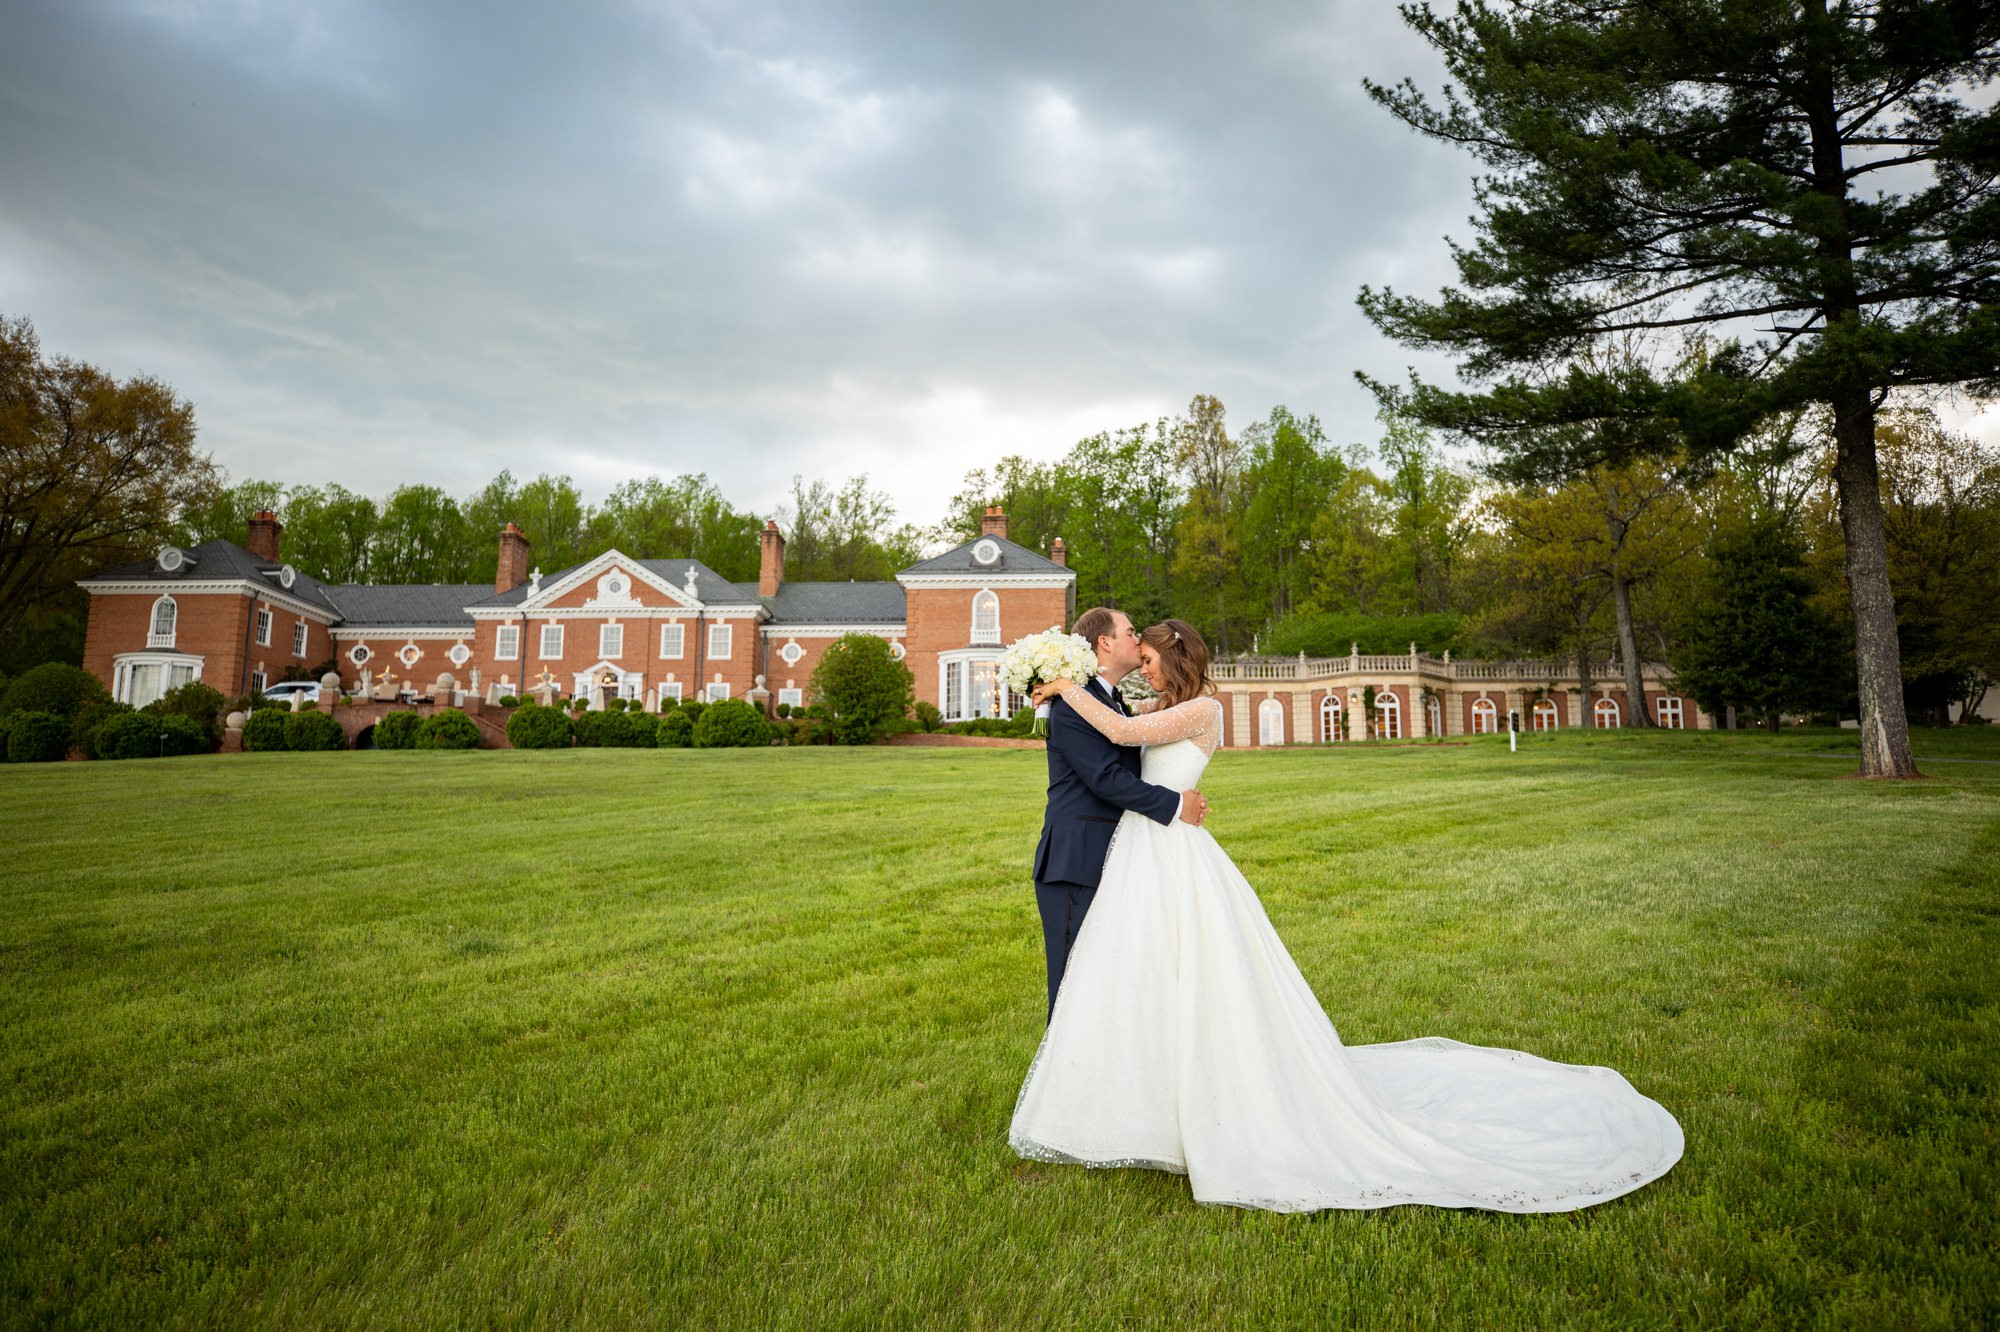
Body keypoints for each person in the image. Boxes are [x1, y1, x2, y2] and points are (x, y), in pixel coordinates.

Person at [1011, 618, 1683, 1213]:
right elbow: (1122, 742)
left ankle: (1200, 1097)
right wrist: (1074, 692)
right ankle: (1146, 1094)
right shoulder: (1159, 702)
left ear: (1176, 660)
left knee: (1197, 976)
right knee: (1142, 974)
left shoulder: (1202, 710)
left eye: (1153, 659)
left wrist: (1059, 684)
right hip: (1143, 853)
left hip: (1172, 855)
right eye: (1141, 655)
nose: (1144, 667)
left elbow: (1125, 734)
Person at [1033, 606, 1209, 1022]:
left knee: (1112, 979)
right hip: (1076, 861)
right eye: (1130, 633)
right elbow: (1106, 779)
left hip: (1124, 857)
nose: (1137, 640)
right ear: (1105, 643)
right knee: (1074, 980)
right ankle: (1064, 1080)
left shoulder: (1103, 700)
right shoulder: (1073, 702)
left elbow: (1130, 729)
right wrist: (1176, 804)